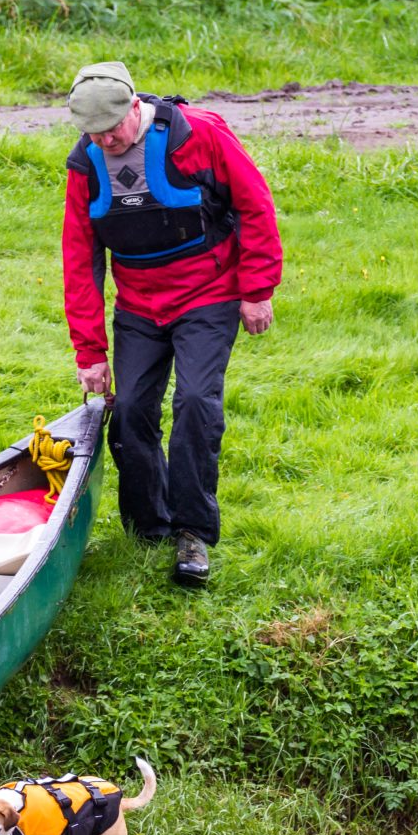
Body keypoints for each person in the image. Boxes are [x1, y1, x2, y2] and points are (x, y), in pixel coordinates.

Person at [60, 60, 282, 587]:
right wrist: (90, 351)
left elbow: (255, 204)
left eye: (114, 127)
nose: (108, 140)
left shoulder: (198, 135)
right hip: (139, 305)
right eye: (95, 133)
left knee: (195, 404)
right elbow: (80, 256)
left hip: (209, 294)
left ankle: (193, 533)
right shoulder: (86, 164)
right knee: (132, 409)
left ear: (135, 107)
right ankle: (148, 528)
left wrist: (257, 290)